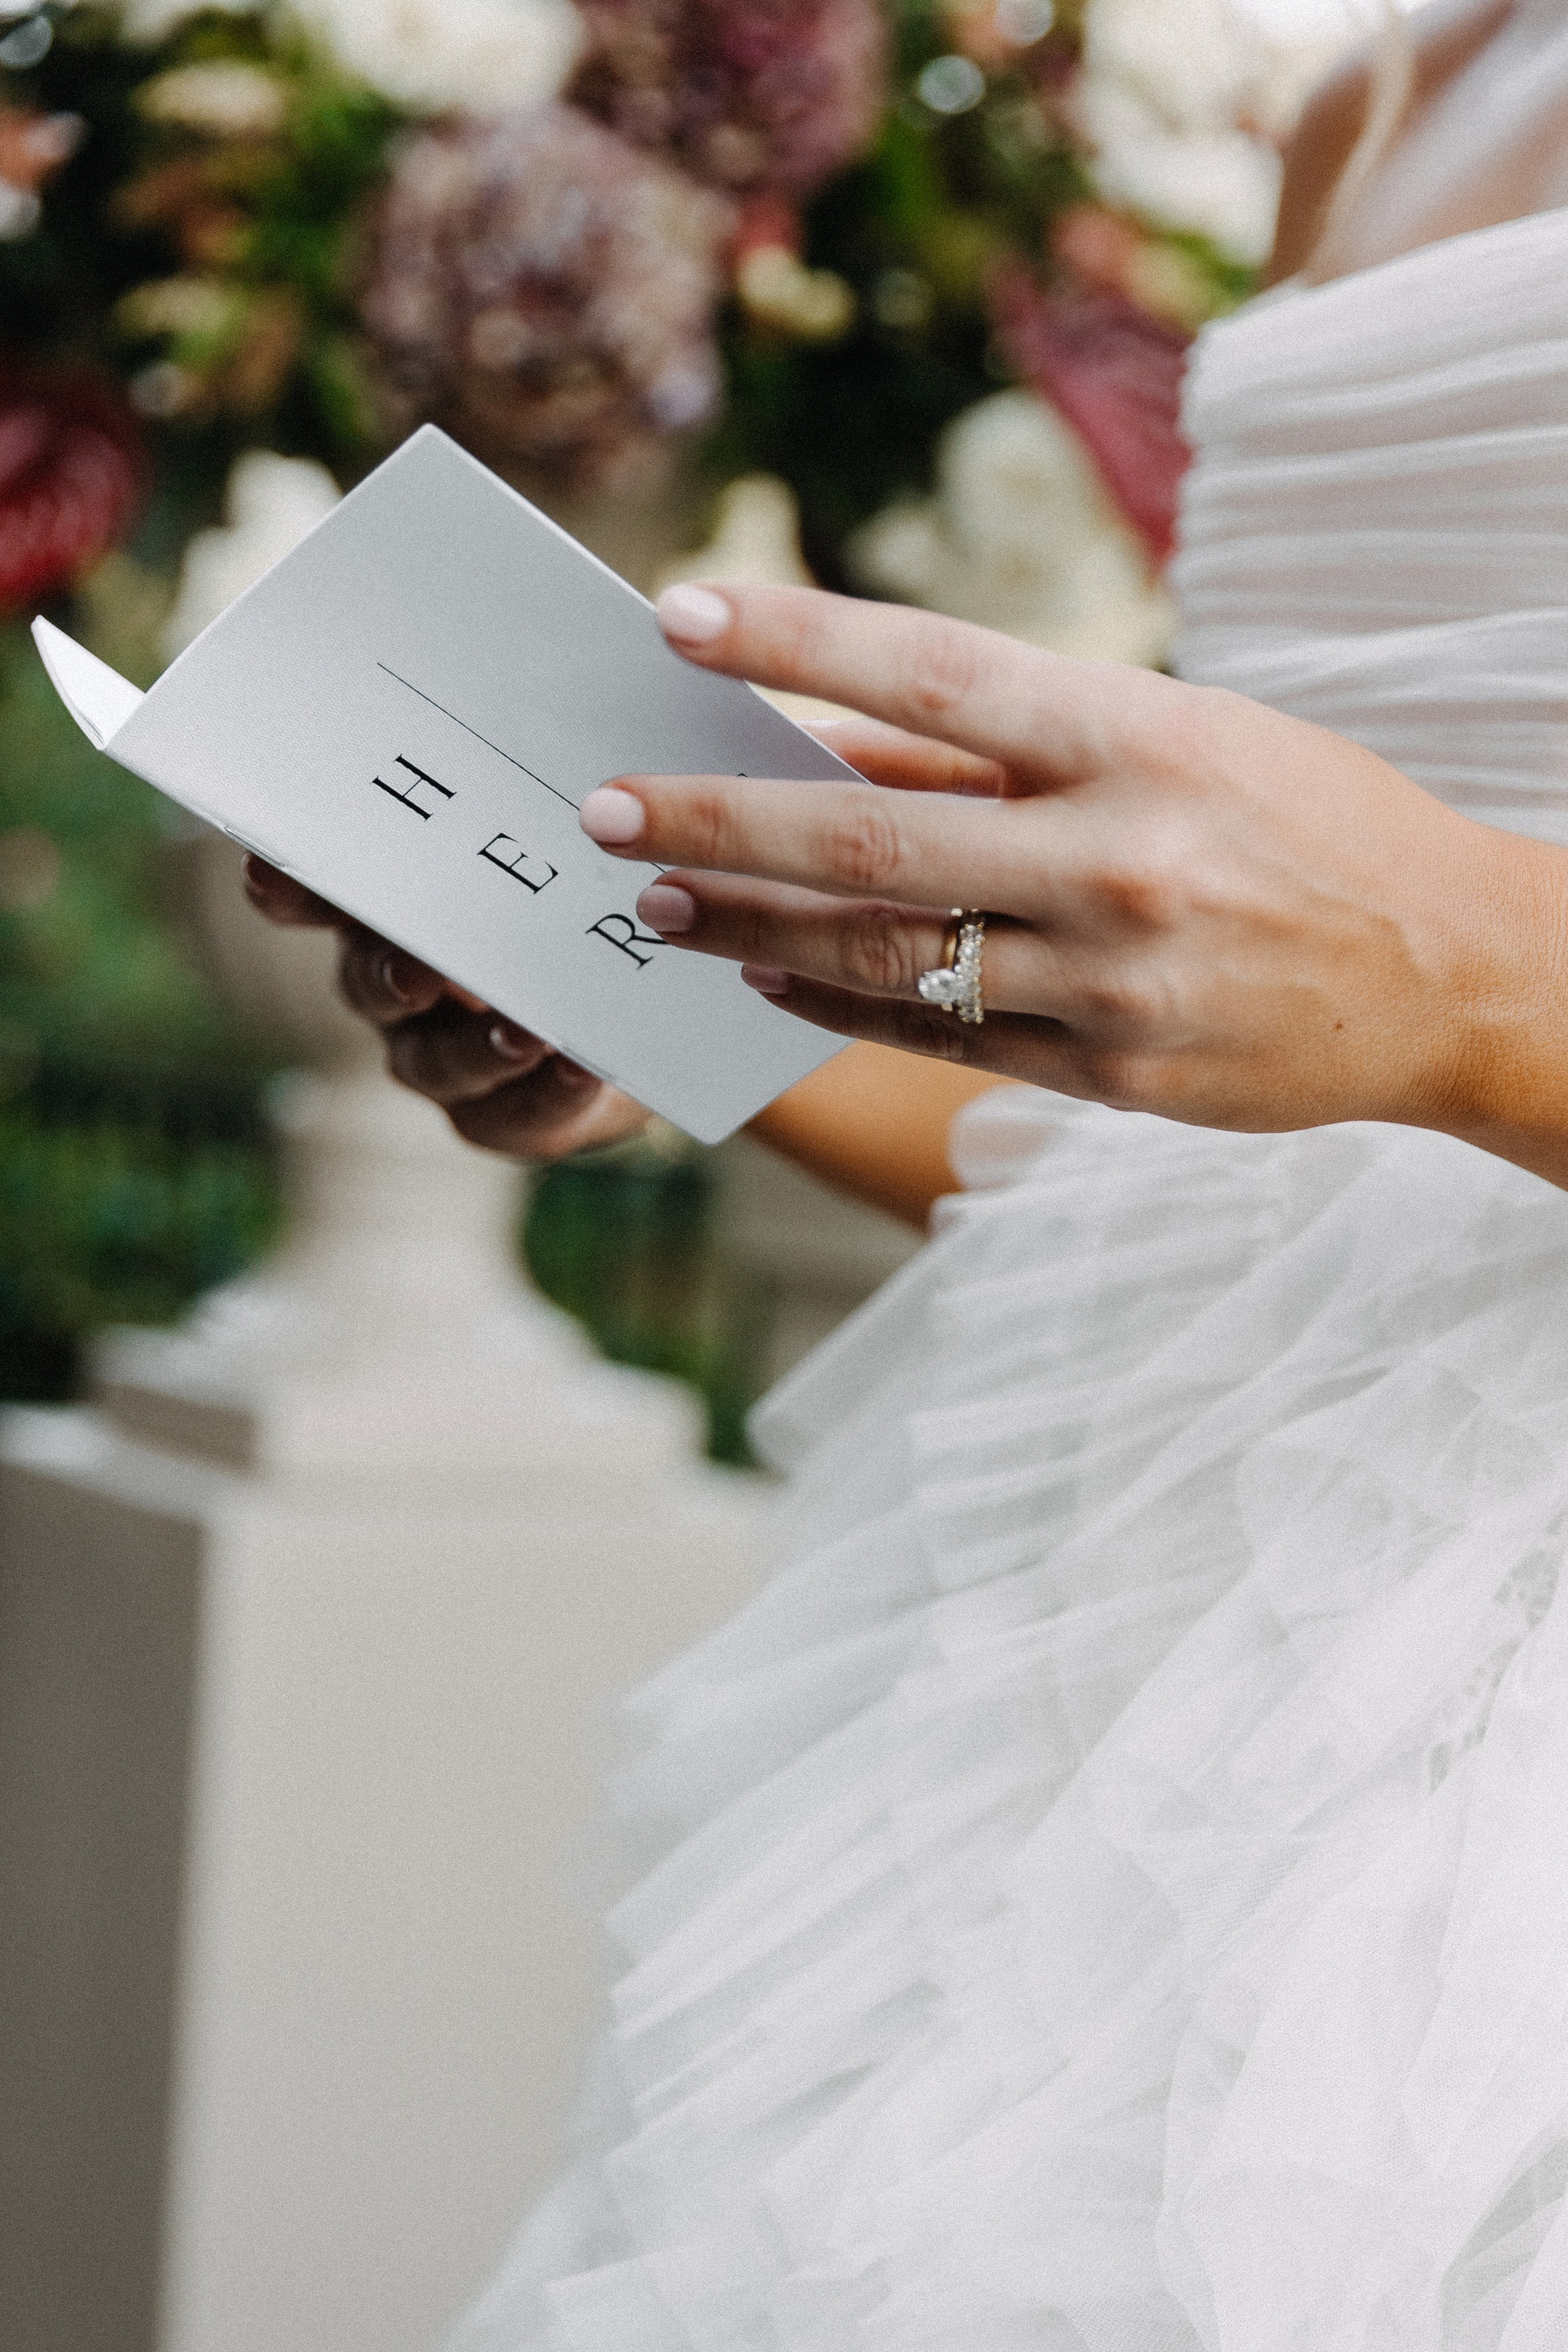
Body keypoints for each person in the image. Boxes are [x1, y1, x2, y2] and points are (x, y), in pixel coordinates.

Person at [247, 1, 1568, 2341]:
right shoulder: (1378, 97)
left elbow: (1417, 1005)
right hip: (1131, 1672)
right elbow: (1230, 1167)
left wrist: (1477, 990)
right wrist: (688, 999)